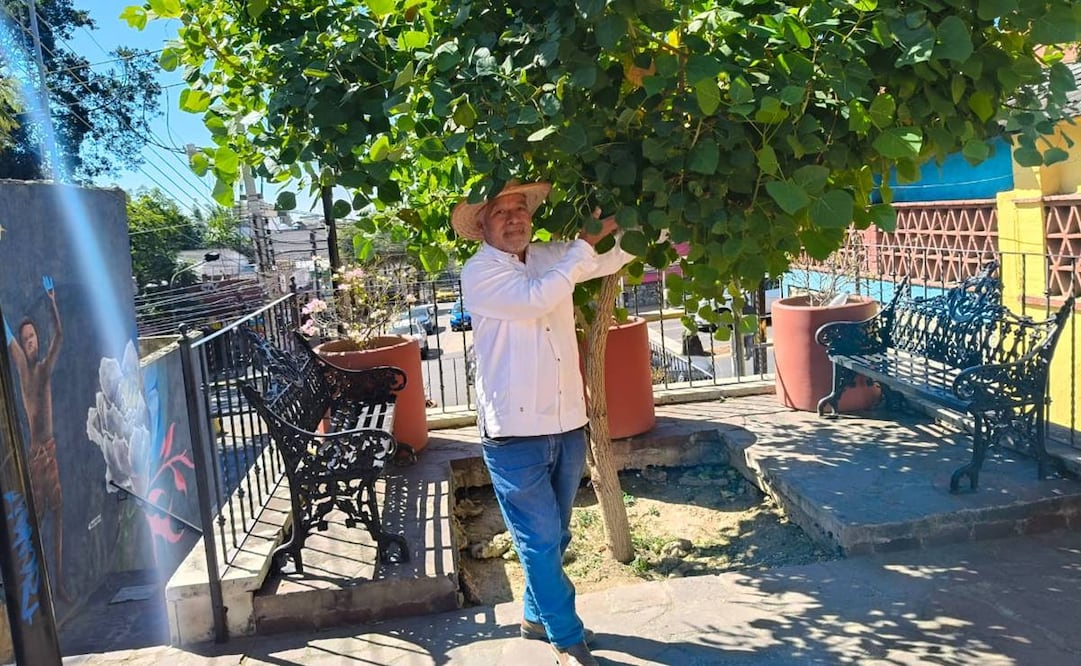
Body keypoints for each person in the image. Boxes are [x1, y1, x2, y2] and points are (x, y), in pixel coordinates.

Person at [453, 181, 633, 666]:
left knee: (558, 536)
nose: (514, 218)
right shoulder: (479, 274)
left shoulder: (550, 255)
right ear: (482, 226)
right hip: (513, 433)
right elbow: (536, 298)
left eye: (520, 209)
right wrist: (583, 247)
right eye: (500, 212)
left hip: (567, 422)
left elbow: (604, 259)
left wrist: (646, 222)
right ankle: (567, 638)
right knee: (538, 539)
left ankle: (535, 616)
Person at [4, 275, 68, 601]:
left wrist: (52, 301)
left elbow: (59, 335)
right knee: (39, 517)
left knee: (55, 514)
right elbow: (8, 336)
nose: (31, 342)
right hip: (36, 455)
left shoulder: (43, 367)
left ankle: (57, 582)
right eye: (26, 338)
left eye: (33, 337)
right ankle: (38, 584)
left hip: (50, 451)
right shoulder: (26, 370)